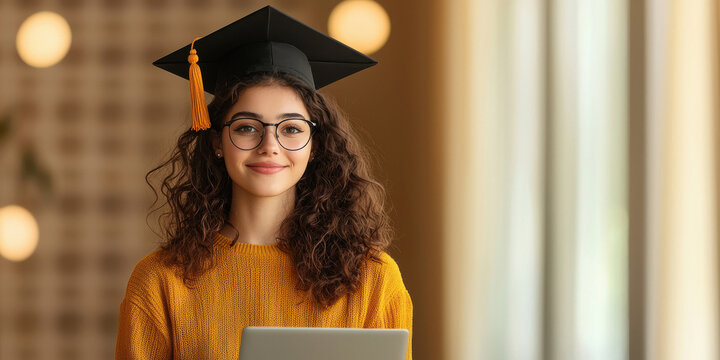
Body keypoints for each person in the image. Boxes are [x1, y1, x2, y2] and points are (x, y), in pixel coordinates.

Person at [115, 5, 413, 360]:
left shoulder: (372, 280)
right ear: (215, 142)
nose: (269, 146)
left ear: (316, 145)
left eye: (291, 129)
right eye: (246, 127)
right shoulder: (159, 282)